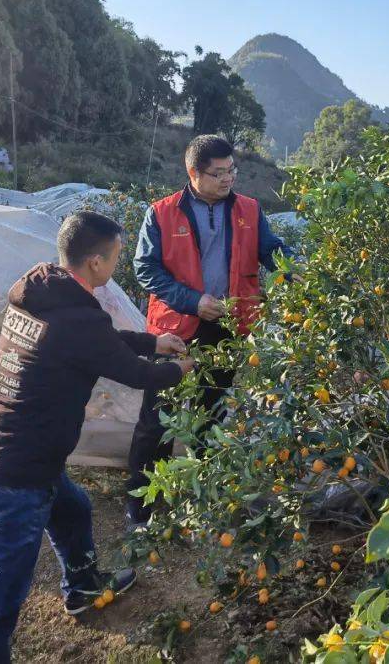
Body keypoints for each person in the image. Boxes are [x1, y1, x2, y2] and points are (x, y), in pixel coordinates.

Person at [0, 211, 194, 663]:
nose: (116, 264)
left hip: (10, 449)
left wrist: (152, 341)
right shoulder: (75, 318)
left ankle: (84, 587)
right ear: (95, 262)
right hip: (19, 471)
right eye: (115, 257)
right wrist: (179, 369)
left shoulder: (43, 292)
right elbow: (132, 374)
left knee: (74, 510)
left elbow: (97, 341)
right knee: (3, 591)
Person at [125, 134, 295, 528]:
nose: (228, 179)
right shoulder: (162, 213)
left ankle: (201, 497)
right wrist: (191, 299)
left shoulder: (250, 210)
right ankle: (143, 507)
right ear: (193, 173)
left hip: (227, 328)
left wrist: (296, 269)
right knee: (157, 420)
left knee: (211, 414)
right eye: (218, 173)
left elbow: (272, 250)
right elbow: (145, 269)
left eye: (232, 170)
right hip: (175, 331)